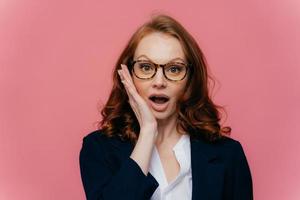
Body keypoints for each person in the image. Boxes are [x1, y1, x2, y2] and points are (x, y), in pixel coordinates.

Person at [79, 14, 253, 200]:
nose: (159, 81)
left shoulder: (228, 155)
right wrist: (147, 132)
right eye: (146, 67)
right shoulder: (98, 149)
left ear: (190, 80)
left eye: (174, 69)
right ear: (128, 75)